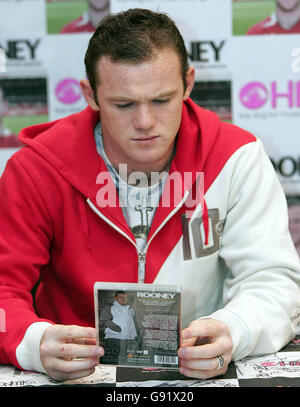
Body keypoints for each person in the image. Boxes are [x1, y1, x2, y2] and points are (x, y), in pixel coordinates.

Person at [0, 8, 300, 382]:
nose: (144, 122)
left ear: (188, 84)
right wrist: (33, 341)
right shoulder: (37, 168)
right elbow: (2, 292)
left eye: (161, 100)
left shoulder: (236, 158)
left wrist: (234, 329)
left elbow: (274, 282)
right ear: (90, 94)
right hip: (75, 375)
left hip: (198, 374)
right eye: (123, 104)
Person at [100, 291, 138, 364]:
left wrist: (134, 335)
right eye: (120, 297)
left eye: (125, 297)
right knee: (114, 358)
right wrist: (117, 329)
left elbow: (132, 323)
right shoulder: (110, 307)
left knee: (125, 358)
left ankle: (123, 373)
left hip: (128, 338)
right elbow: (103, 320)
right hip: (115, 337)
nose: (123, 299)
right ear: (115, 298)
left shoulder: (130, 309)